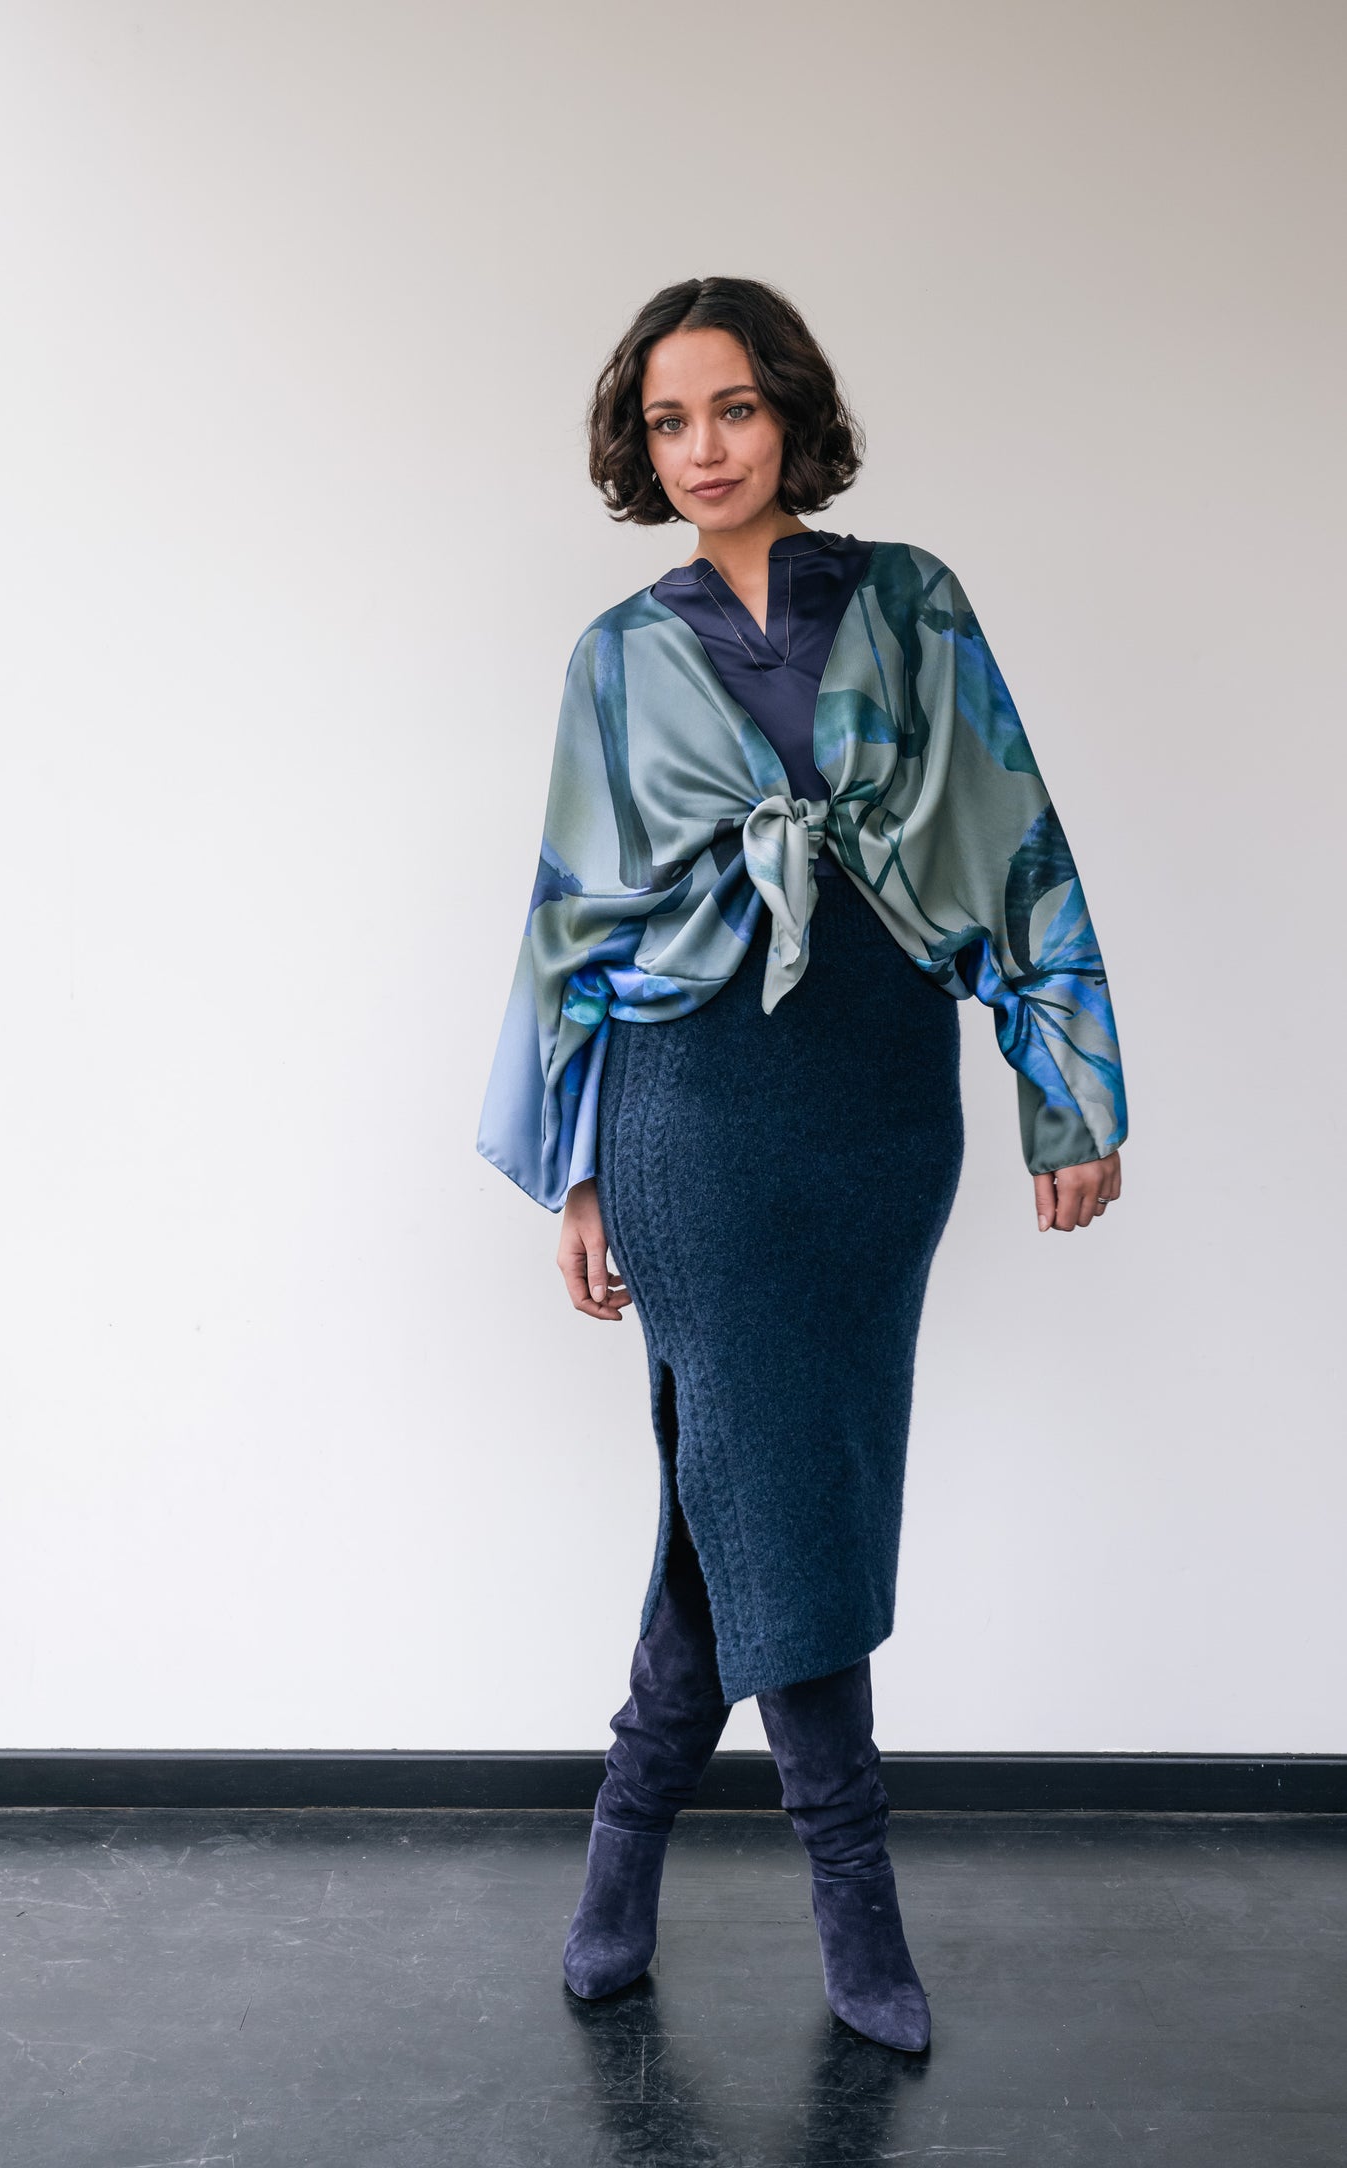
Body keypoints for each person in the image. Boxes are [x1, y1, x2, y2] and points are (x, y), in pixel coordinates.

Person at [476, 276, 1127, 2051]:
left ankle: (621, 1856)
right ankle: (855, 1892)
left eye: (735, 409)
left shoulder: (913, 602)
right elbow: (569, 923)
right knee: (772, 1473)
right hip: (688, 1105)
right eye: (669, 420)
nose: (704, 449)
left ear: (792, 417)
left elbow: (1015, 848)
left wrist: (1064, 1094)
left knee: (751, 1486)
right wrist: (583, 1175)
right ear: (638, 442)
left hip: (871, 1097)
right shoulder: (612, 655)